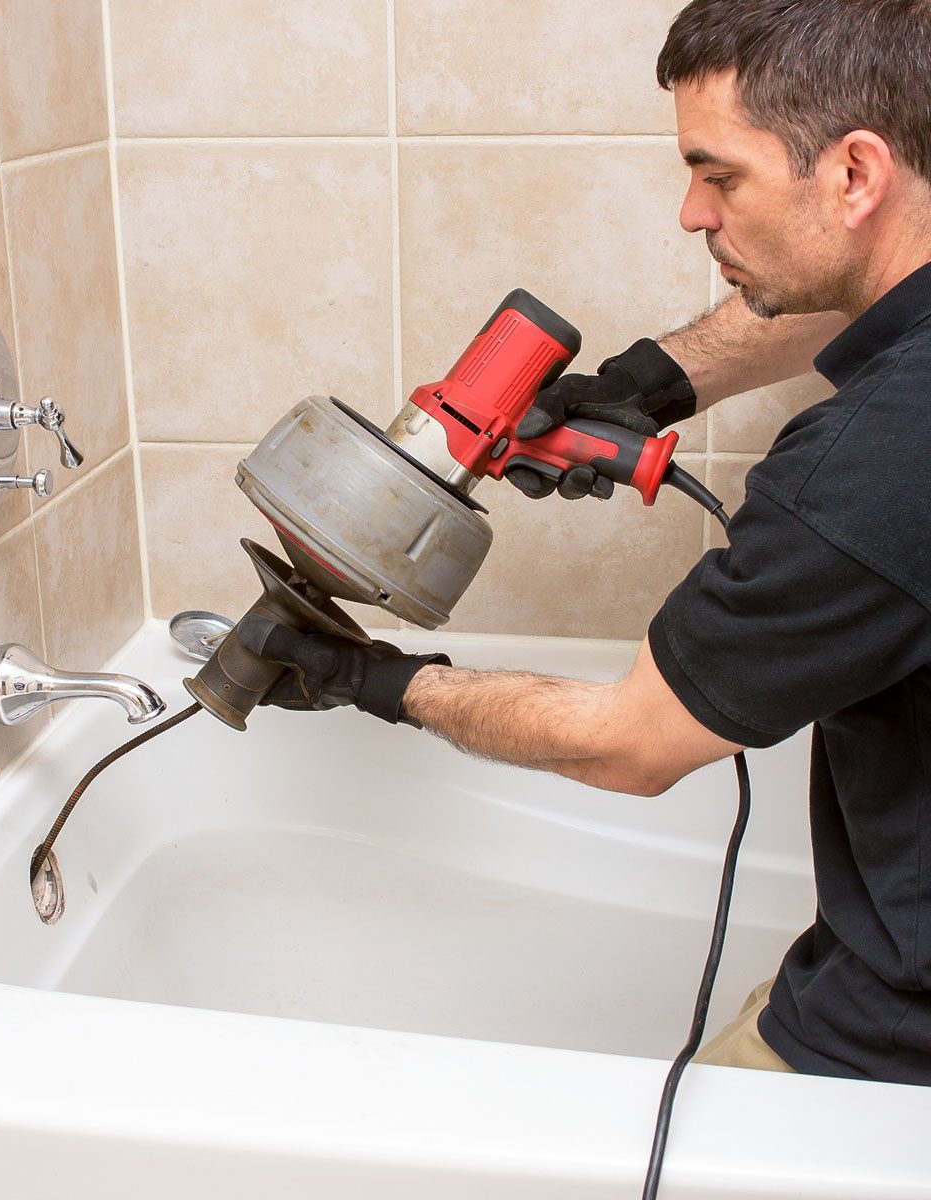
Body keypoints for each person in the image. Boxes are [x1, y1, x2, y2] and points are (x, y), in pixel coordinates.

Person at [240, 0, 931, 1085]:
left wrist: (376, 680)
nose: (690, 213)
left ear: (853, 174)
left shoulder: (868, 468)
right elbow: (844, 283)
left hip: (897, 1047)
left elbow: (630, 743)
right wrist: (650, 385)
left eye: (721, 175)